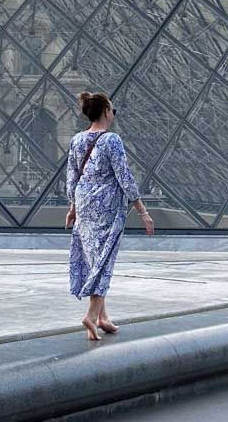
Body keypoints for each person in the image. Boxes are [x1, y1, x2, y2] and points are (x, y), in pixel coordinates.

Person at [65, 91, 154, 340]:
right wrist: (142, 212)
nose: (114, 113)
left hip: (84, 204)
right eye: (113, 109)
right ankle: (91, 316)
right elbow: (124, 177)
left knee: (94, 257)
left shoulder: (76, 140)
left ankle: (103, 317)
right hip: (107, 206)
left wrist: (73, 207)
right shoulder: (111, 140)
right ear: (106, 111)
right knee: (104, 259)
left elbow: (72, 176)